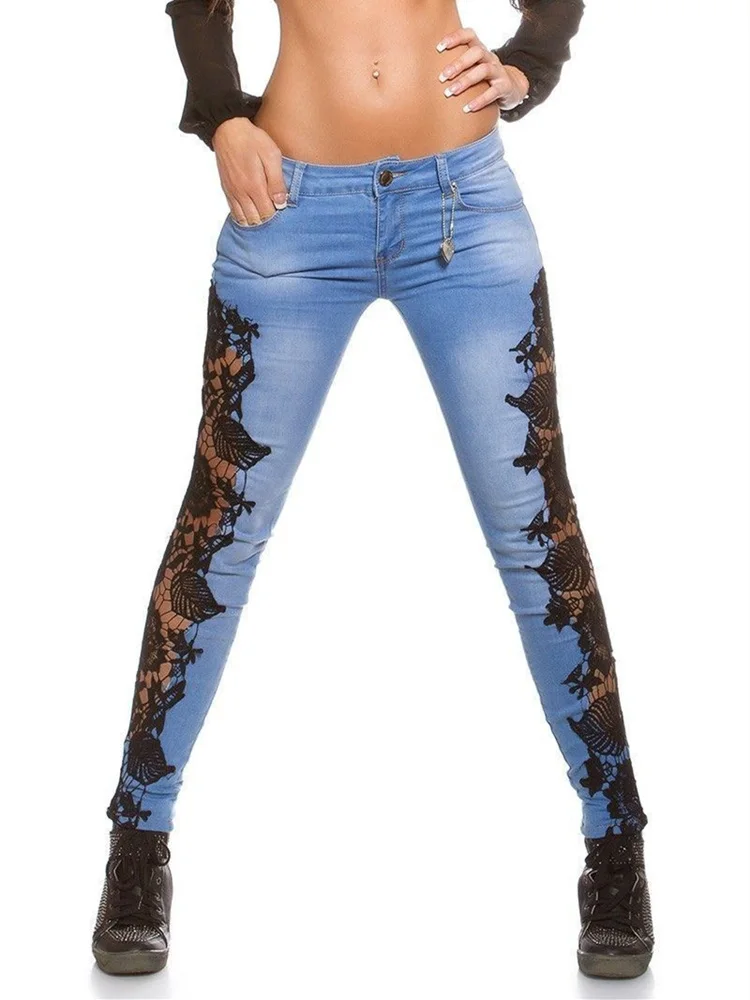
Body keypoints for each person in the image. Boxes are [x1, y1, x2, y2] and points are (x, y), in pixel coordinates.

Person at [92, 0, 654, 980]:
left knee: (538, 537)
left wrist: (529, 62)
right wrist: (222, 117)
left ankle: (616, 846)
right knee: (219, 537)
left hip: (463, 206)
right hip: (288, 208)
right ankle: (137, 846)